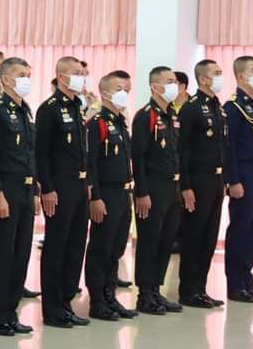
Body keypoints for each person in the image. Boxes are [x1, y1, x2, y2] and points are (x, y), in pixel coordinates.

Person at [0, 57, 40, 337]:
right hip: (6, 189)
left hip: (26, 189)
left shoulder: (25, 110)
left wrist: (36, 190)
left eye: (28, 74)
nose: (26, 79)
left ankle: (11, 312)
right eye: (20, 74)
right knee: (3, 254)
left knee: (21, 254)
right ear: (5, 79)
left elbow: (31, 154)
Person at [35, 56, 90, 328]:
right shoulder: (49, 109)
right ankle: (53, 308)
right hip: (60, 185)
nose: (82, 77)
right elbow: (41, 154)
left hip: (79, 185)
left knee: (76, 246)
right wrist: (47, 188)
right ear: (61, 76)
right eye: (76, 72)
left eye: (83, 72)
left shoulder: (77, 106)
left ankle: (66, 301)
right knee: (57, 246)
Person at [84, 70, 138, 321]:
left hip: (123, 192)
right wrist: (95, 197)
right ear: (105, 93)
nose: (124, 93)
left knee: (116, 248)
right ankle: (97, 301)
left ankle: (110, 296)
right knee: (101, 248)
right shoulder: (97, 123)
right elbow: (91, 164)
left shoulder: (120, 122)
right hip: (105, 193)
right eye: (119, 89)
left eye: (127, 89)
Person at [131, 66, 183, 316]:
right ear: (155, 86)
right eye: (169, 81)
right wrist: (142, 192)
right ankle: (144, 294)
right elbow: (138, 157)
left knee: (165, 241)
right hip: (153, 187)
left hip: (173, 187)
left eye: (175, 81)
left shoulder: (171, 114)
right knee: (150, 241)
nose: (174, 85)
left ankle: (156, 289)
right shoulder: (146, 116)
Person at [176, 60, 228, 309]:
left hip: (216, 180)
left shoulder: (218, 107)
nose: (220, 77)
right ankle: (188, 290)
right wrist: (185, 187)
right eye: (216, 73)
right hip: (198, 180)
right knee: (194, 236)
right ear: (204, 79)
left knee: (209, 237)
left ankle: (200, 288)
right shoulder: (192, 108)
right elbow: (183, 150)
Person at [224, 56, 253, 303]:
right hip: (244, 175)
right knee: (240, 229)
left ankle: (247, 280)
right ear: (241, 76)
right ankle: (235, 284)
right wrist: (233, 180)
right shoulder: (234, 107)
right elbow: (229, 147)